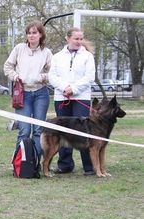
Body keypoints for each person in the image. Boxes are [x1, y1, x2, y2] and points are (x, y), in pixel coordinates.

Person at [48, 27, 95, 176]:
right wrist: (64, 88)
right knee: (63, 131)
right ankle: (65, 165)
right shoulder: (57, 56)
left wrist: (73, 89)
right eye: (76, 39)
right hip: (62, 97)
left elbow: (89, 77)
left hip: (81, 98)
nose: (79, 42)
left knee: (83, 131)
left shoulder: (87, 56)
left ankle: (89, 166)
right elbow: (52, 76)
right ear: (68, 38)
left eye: (81, 39)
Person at [4, 21, 52, 159]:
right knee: (24, 130)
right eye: (29, 33)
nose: (31, 35)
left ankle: (34, 162)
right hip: (22, 94)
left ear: (41, 34)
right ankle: (19, 162)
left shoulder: (47, 52)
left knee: (38, 130)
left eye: (34, 33)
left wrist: (41, 77)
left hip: (40, 94)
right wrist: (16, 76)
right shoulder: (19, 48)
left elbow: (53, 73)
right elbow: (7, 67)